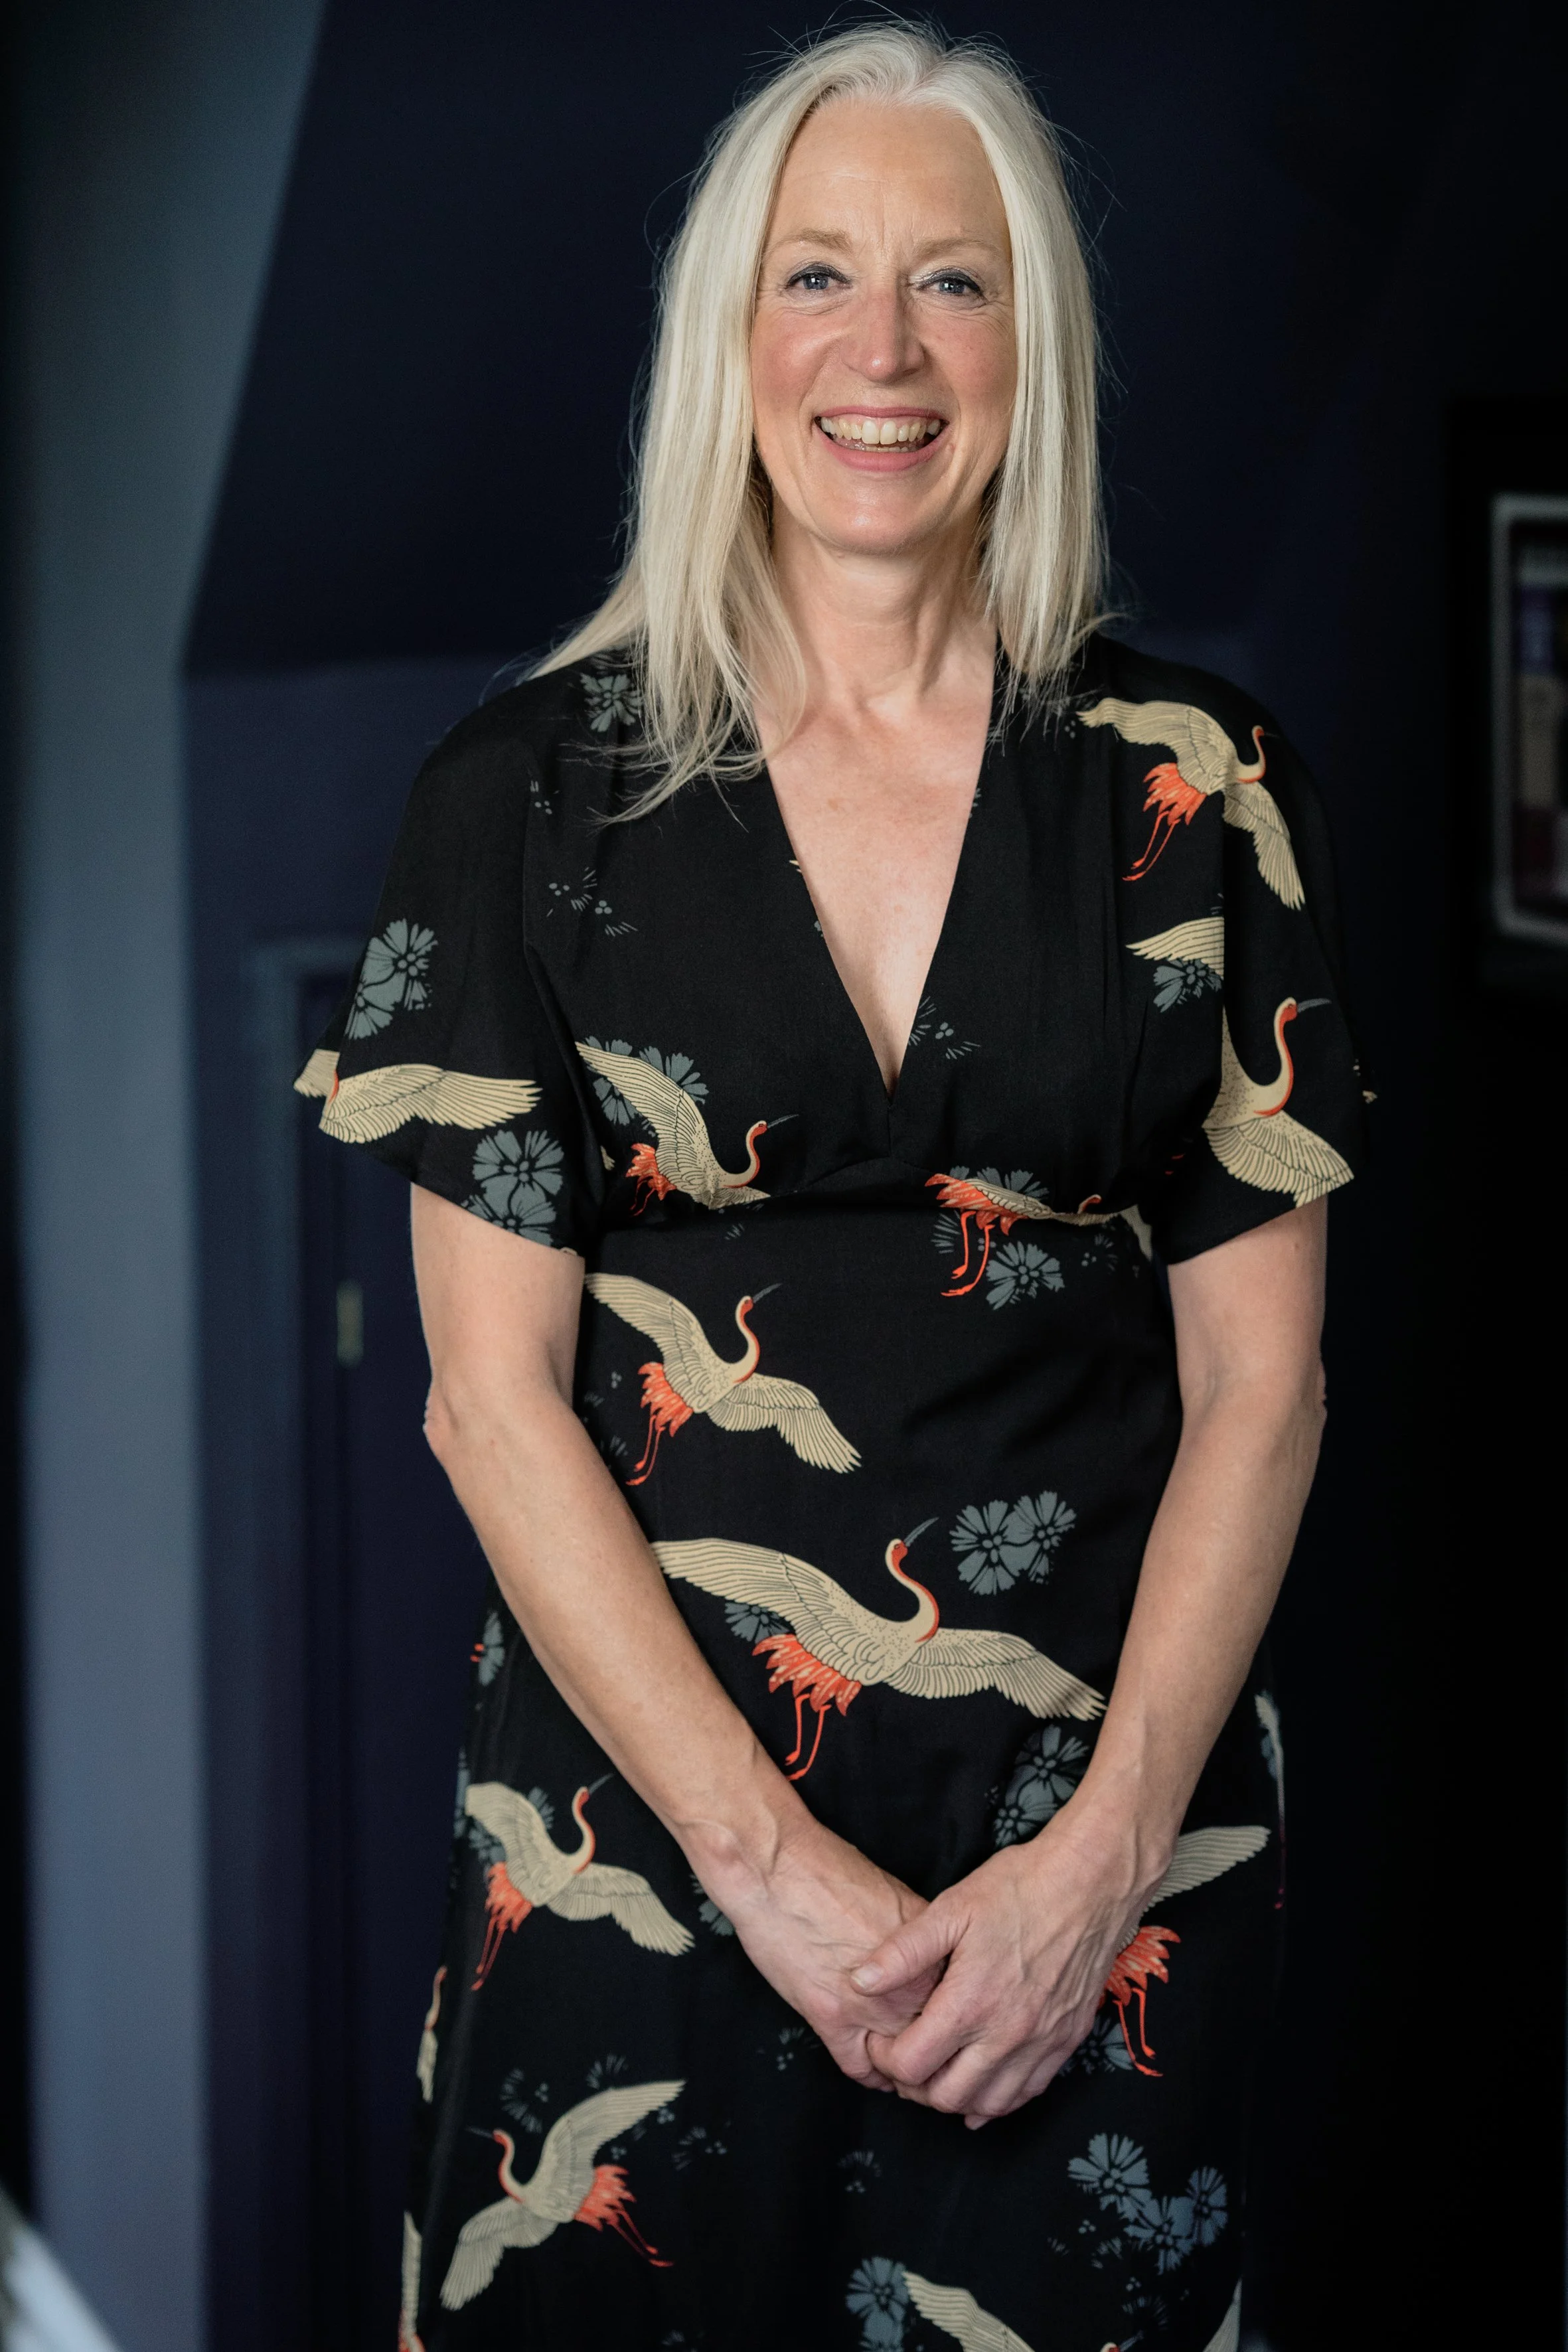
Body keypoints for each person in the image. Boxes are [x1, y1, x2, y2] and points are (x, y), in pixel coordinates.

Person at [299, 24, 1366, 2350]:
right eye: (819, 277)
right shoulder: (520, 798)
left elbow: (1263, 1392)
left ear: (1031, 347)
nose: (883, 354)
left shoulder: (1200, 784)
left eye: (953, 286)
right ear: (730, 339)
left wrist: (1094, 1876)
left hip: (1101, 1888)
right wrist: (771, 1874)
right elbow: (491, 1405)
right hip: (648, 1878)